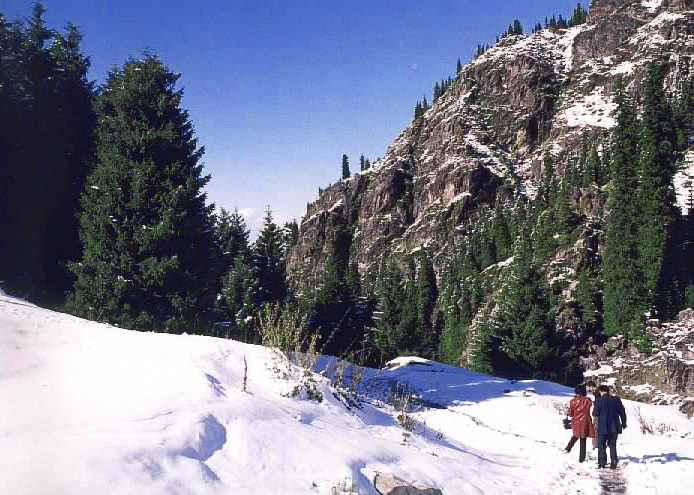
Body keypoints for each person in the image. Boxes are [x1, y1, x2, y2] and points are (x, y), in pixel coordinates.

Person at [592, 385, 627, 469]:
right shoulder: (616, 400)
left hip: (602, 427)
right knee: (612, 444)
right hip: (614, 426)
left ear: (600, 391)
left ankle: (602, 463)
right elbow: (622, 412)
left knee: (601, 445)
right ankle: (614, 461)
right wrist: (624, 423)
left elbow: (595, 414)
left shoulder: (599, 401)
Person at [565, 384, 595, 463]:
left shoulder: (572, 401)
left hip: (576, 421)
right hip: (585, 421)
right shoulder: (588, 400)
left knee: (575, 436)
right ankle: (581, 459)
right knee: (583, 439)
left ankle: (567, 449)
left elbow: (571, 414)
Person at [585, 380, 600, 448]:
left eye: (589, 387)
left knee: (595, 429)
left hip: (597, 414)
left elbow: (599, 403)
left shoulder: (597, 393)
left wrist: (595, 404)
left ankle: (595, 445)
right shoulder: (596, 392)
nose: (588, 389)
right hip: (597, 413)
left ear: (591, 386)